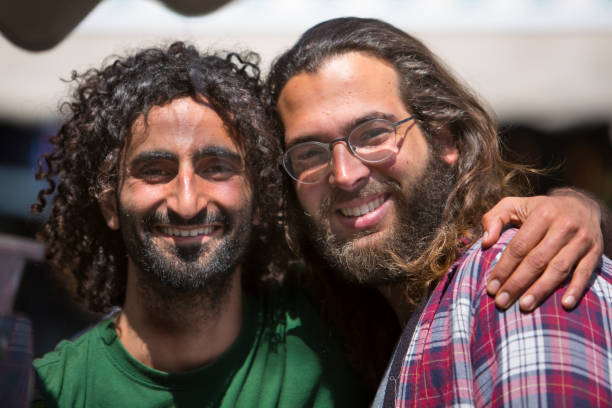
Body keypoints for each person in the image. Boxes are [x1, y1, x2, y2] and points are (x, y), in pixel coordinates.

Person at [265, 17, 612, 406]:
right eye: (310, 153)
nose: (345, 175)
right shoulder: (352, 317)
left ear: (445, 138)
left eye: (374, 133)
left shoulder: (522, 272)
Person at [31, 42, 361, 407]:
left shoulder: (334, 328)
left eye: (215, 168)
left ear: (259, 197)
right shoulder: (53, 392)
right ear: (110, 205)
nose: (187, 203)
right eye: (155, 171)